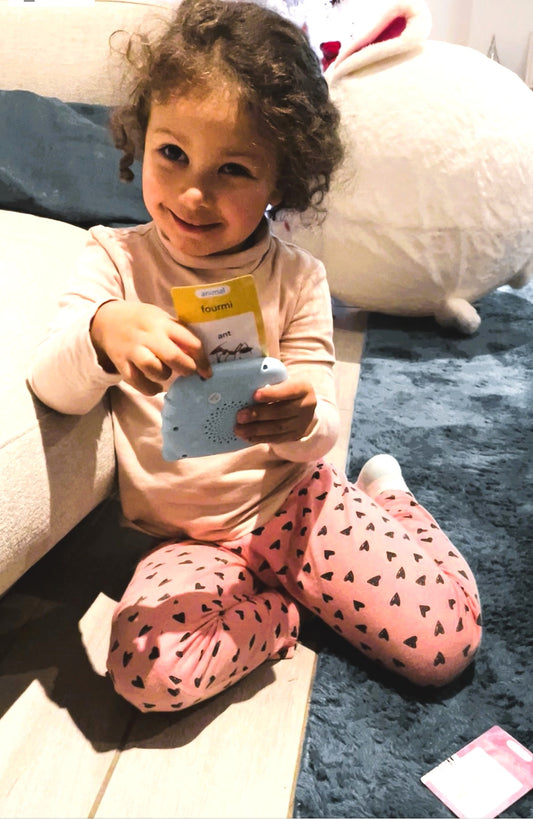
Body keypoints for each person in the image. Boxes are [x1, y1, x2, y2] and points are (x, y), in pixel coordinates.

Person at [29, 0, 482, 713]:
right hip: (185, 541)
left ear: (281, 181)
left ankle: (389, 497)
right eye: (171, 154)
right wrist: (103, 332)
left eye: (234, 168)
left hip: (293, 501)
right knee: (148, 674)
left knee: (445, 646)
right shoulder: (113, 260)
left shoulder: (297, 278)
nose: (193, 192)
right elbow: (51, 385)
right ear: (141, 140)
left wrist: (303, 418)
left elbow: (321, 422)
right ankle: (282, 614)